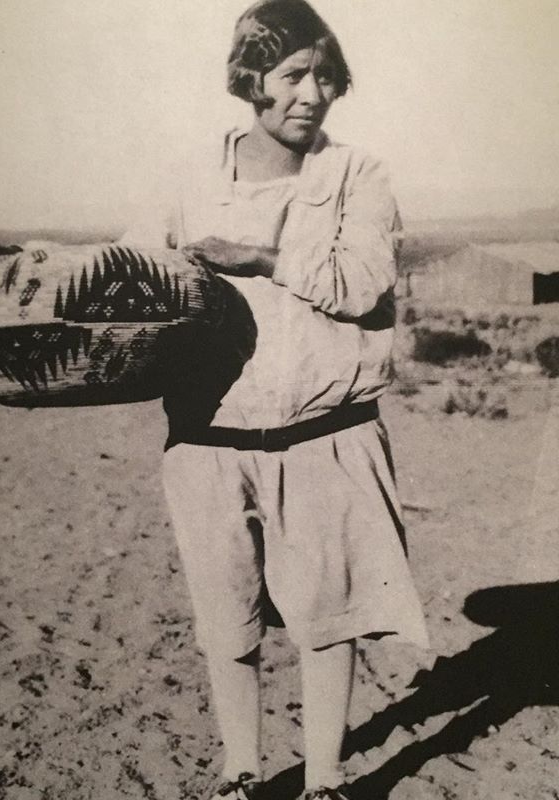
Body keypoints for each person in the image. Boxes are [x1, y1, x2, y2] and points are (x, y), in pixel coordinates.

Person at [123, 1, 430, 797]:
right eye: (293, 73)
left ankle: (324, 778)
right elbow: (145, 291)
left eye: (327, 76)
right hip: (208, 439)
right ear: (248, 79)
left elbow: (363, 286)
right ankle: (241, 772)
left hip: (327, 433)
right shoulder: (191, 175)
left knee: (328, 621)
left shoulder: (357, 174)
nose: (313, 93)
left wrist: (264, 256)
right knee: (228, 619)